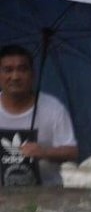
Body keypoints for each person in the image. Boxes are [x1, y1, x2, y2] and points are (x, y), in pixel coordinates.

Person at [0, 44, 77, 186]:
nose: (15, 76)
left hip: (46, 195)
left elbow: (72, 152)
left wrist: (44, 152)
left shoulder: (53, 108)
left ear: (32, 74)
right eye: (8, 70)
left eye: (22, 69)